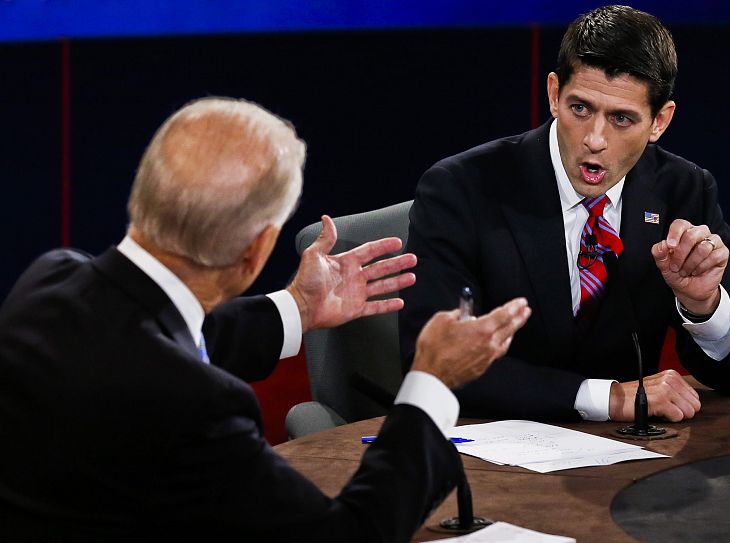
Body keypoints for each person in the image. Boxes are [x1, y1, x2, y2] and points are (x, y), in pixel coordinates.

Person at [0, 97, 531, 541]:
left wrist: (298, 307)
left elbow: (160, 339)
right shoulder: (195, 409)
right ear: (257, 250)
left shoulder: (48, 283)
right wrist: (430, 383)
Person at [399, 5, 730, 424]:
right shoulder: (462, 188)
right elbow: (433, 362)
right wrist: (604, 398)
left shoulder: (683, 190)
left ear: (659, 122)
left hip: (626, 462)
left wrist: (703, 307)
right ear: (554, 94)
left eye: (622, 119)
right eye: (580, 109)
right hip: (492, 452)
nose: (595, 139)